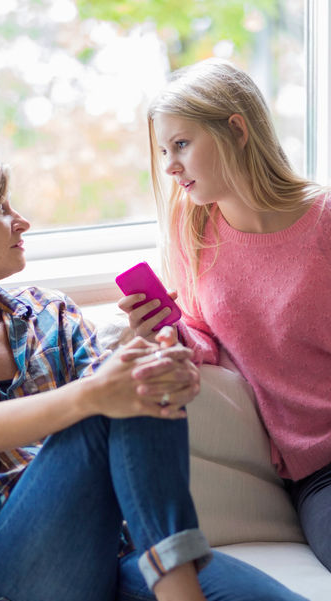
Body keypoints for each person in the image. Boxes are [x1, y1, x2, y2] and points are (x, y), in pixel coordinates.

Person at [0, 150, 331, 601]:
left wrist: (163, 371)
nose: (22, 221)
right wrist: (107, 389)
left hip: (101, 560)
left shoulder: (48, 313)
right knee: (119, 392)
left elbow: (127, 413)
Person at [119, 57, 331, 572]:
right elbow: (207, 337)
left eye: (182, 145)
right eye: (164, 150)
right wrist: (166, 333)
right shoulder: (193, 232)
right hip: (316, 473)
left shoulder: (324, 221)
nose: (170, 165)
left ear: (236, 129)